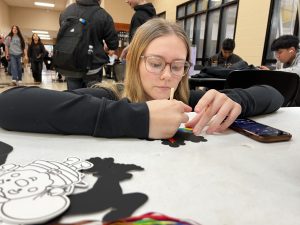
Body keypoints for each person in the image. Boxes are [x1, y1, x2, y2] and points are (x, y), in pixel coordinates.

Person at [0, 19, 283, 139]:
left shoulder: (186, 102)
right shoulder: (111, 96)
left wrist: (235, 101)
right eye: (156, 63)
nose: (166, 76)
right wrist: (138, 117)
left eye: (177, 66)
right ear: (135, 62)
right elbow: (10, 104)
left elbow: (272, 93)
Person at [59, 0, 118, 90]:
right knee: (92, 99)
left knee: (74, 97)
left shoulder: (66, 12)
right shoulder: (103, 15)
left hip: (71, 65)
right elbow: (113, 44)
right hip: (93, 65)